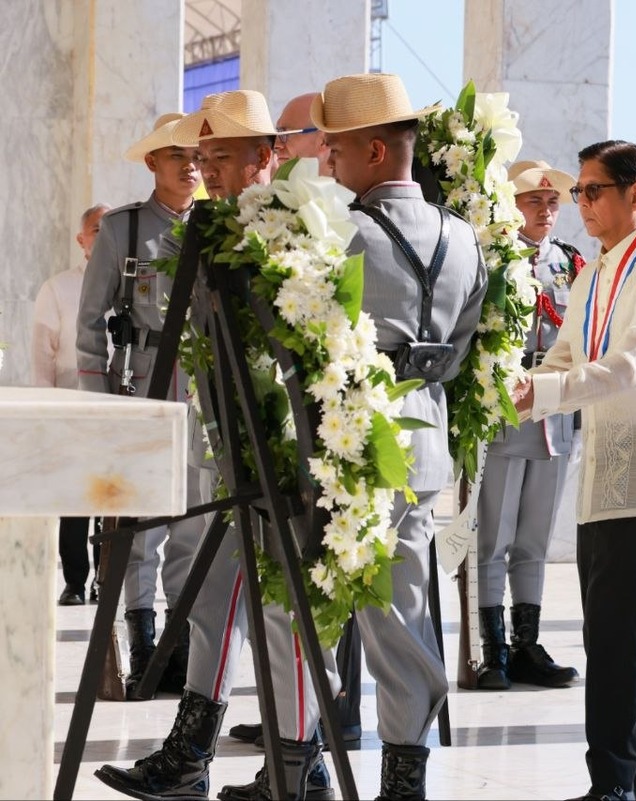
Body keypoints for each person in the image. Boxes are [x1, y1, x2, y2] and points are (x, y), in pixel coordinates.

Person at [94, 90, 342, 801]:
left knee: (283, 605)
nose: (208, 173)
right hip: (220, 439)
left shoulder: (300, 227)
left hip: (279, 449)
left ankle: (300, 765)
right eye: (202, 159)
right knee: (210, 600)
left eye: (223, 158)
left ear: (267, 157)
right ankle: (193, 751)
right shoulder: (205, 229)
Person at [512, 140, 636, 801]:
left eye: (593, 191)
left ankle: (612, 785)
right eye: (579, 193)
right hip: (606, 463)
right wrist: (513, 383)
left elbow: (633, 364)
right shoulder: (593, 272)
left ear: (635, 194)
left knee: (617, 629)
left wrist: (543, 394)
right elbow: (565, 356)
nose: (580, 204)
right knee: (615, 628)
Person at [317, 72, 487, 800]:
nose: (328, 163)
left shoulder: (342, 231)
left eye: (338, 149)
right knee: (404, 607)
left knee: (316, 606)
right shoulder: (465, 235)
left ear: (378, 151)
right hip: (425, 441)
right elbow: (467, 340)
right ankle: (404, 771)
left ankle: (302, 761)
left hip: (347, 442)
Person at [224, 90, 365, 752]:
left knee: (330, 582)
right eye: (277, 137)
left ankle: (326, 721)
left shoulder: (337, 209)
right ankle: (304, 721)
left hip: (332, 420)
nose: (283, 147)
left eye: (293, 134)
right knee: (298, 584)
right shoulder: (286, 203)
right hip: (292, 416)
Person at [76, 113, 208, 697]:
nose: (190, 165)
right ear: (152, 163)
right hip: (142, 385)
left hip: (202, 392)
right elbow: (89, 324)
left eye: (196, 155)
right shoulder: (124, 231)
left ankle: (177, 652)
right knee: (139, 529)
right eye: (176, 155)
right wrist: (103, 407)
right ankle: (143, 644)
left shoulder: (216, 226)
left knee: (191, 525)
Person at [472, 158, 583, 691]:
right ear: (511, 206)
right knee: (493, 538)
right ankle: (491, 650)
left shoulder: (570, 263)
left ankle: (526, 645)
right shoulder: (489, 258)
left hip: (553, 417)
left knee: (534, 540)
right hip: (502, 414)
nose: (546, 209)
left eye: (552, 201)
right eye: (533, 200)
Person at [36, 202, 109, 606]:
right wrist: (47, 409)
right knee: (75, 499)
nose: (105, 234)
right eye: (98, 229)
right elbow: (42, 353)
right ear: (82, 241)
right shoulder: (58, 287)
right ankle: (76, 581)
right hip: (72, 405)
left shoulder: (130, 282)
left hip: (118, 406)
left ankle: (107, 578)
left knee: (114, 498)